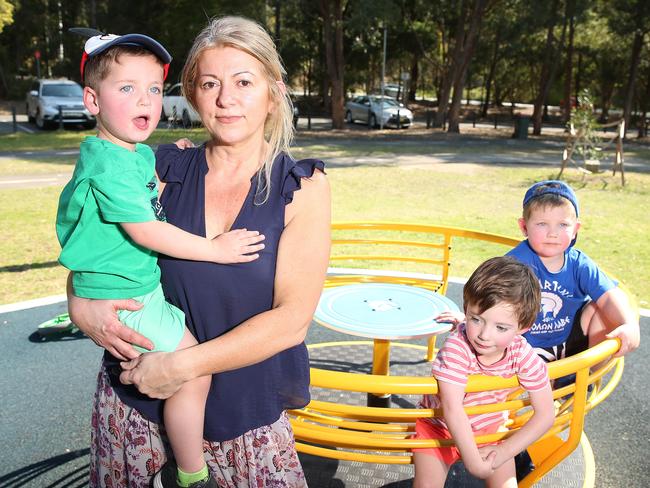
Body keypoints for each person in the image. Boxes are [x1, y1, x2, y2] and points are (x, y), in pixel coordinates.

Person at [66, 16, 330, 488]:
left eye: (243, 82)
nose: (226, 99)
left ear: (274, 91)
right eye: (210, 83)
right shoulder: (157, 166)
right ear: (192, 94)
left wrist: (181, 366)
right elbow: (96, 250)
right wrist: (80, 305)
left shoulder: (302, 187)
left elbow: (292, 320)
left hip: (245, 421)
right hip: (137, 408)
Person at [413, 256, 554, 488]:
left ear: (523, 327)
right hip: (439, 428)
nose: (484, 335)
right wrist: (474, 463)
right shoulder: (458, 347)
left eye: (500, 327)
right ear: (466, 309)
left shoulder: (521, 353)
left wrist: (504, 452)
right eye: (476, 319)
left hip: (490, 429)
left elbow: (545, 414)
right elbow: (452, 408)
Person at [507, 180, 640, 363]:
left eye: (563, 225)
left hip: (570, 338)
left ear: (575, 230)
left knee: (601, 305)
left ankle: (586, 376)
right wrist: (473, 320)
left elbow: (609, 296)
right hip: (522, 345)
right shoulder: (514, 264)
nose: (552, 233)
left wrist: (630, 325)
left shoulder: (579, 263)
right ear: (524, 227)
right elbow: (488, 299)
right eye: (542, 224)